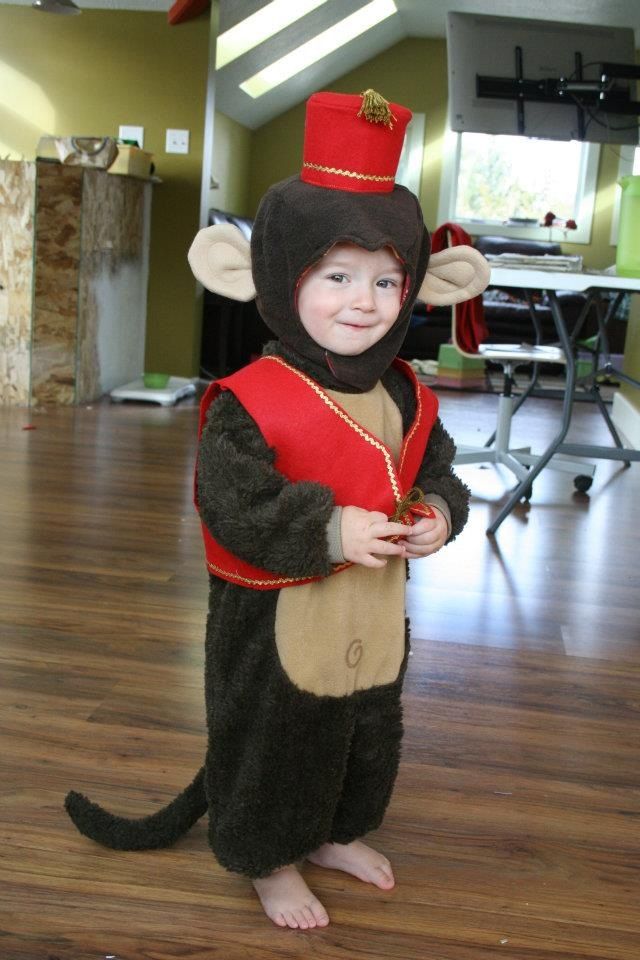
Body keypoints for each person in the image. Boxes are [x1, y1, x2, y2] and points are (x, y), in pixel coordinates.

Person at [64, 89, 489, 930]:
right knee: (277, 737)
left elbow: (437, 469)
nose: (363, 302)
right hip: (274, 619)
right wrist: (331, 528)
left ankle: (334, 831)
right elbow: (235, 503)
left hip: (374, 610)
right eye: (335, 277)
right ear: (273, 275)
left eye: (384, 280)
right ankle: (266, 855)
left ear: (414, 290)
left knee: (366, 727)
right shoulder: (249, 398)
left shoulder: (405, 390)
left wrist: (439, 510)